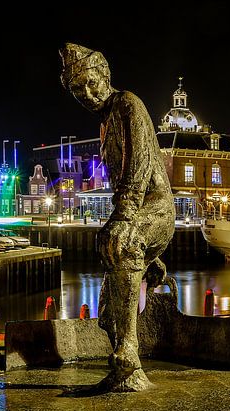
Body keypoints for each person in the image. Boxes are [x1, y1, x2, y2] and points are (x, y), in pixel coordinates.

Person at [61, 43, 175, 392]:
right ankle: (121, 355)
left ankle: (129, 362)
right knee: (109, 313)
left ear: (106, 76)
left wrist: (125, 218)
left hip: (154, 209)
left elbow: (139, 163)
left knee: (121, 245)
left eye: (92, 83)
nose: (88, 94)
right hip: (138, 214)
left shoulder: (128, 104)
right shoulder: (106, 122)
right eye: (79, 90)